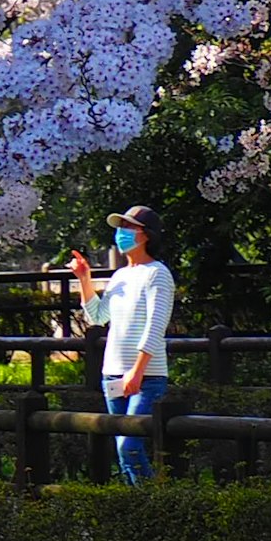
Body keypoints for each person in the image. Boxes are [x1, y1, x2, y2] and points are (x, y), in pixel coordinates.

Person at [71, 206, 175, 486]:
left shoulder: (158, 274)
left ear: (145, 235)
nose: (120, 234)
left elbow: (156, 326)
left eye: (128, 228)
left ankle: (151, 506)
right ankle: (137, 507)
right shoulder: (119, 276)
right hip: (113, 374)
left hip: (147, 377)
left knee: (128, 446)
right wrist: (84, 278)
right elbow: (97, 316)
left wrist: (137, 371)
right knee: (123, 450)